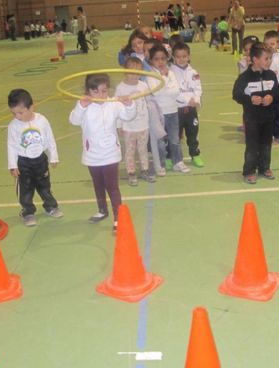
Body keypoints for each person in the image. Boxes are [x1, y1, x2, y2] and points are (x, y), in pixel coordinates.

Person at [69, 74, 136, 232]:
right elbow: (74, 120)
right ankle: (102, 210)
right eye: (96, 92)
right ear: (88, 91)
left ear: (108, 90)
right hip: (92, 155)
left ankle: (118, 217)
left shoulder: (113, 104)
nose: (101, 95)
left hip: (110, 154)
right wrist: (81, 106)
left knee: (112, 187)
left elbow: (129, 116)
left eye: (104, 91)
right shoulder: (84, 107)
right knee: (98, 185)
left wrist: (129, 105)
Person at [7, 89, 62, 227]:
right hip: (23, 163)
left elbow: (50, 138)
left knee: (45, 186)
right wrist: (13, 165)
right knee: (25, 190)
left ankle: (51, 206)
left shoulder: (42, 120)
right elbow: (11, 146)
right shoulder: (13, 126)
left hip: (40, 160)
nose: (17, 116)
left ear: (31, 107)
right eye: (14, 113)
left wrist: (53, 156)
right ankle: (28, 212)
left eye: (20, 112)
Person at [232, 42, 279, 184]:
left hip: (268, 118)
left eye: (270, 58)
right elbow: (236, 94)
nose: (269, 61)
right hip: (252, 118)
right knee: (252, 146)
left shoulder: (271, 75)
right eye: (266, 59)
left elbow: (277, 90)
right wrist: (250, 99)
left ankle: (264, 168)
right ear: (255, 59)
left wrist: (272, 97)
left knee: (266, 144)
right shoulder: (244, 77)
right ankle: (249, 170)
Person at [146, 44, 191, 174]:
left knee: (175, 139)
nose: (160, 62)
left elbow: (176, 91)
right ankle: (160, 164)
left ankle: (178, 162)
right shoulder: (151, 76)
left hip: (172, 112)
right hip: (158, 114)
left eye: (163, 59)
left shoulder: (171, 73)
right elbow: (156, 92)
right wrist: (165, 80)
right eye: (156, 59)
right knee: (160, 142)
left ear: (167, 59)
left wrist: (165, 83)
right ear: (151, 61)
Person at [115, 57, 155, 185]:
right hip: (129, 127)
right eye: (132, 71)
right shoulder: (121, 88)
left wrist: (151, 120)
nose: (135, 75)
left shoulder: (143, 85)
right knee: (130, 150)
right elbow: (117, 108)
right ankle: (131, 172)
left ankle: (145, 170)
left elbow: (148, 102)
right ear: (125, 71)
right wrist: (119, 125)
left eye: (138, 72)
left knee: (143, 149)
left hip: (143, 125)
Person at [171, 43, 204, 167]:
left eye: (184, 56)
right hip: (176, 110)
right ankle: (170, 156)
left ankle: (195, 155)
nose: (181, 59)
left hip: (191, 109)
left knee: (193, 134)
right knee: (174, 136)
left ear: (188, 56)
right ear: (173, 57)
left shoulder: (193, 72)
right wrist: (187, 100)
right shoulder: (170, 73)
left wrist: (196, 100)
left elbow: (198, 88)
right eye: (178, 57)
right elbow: (173, 91)